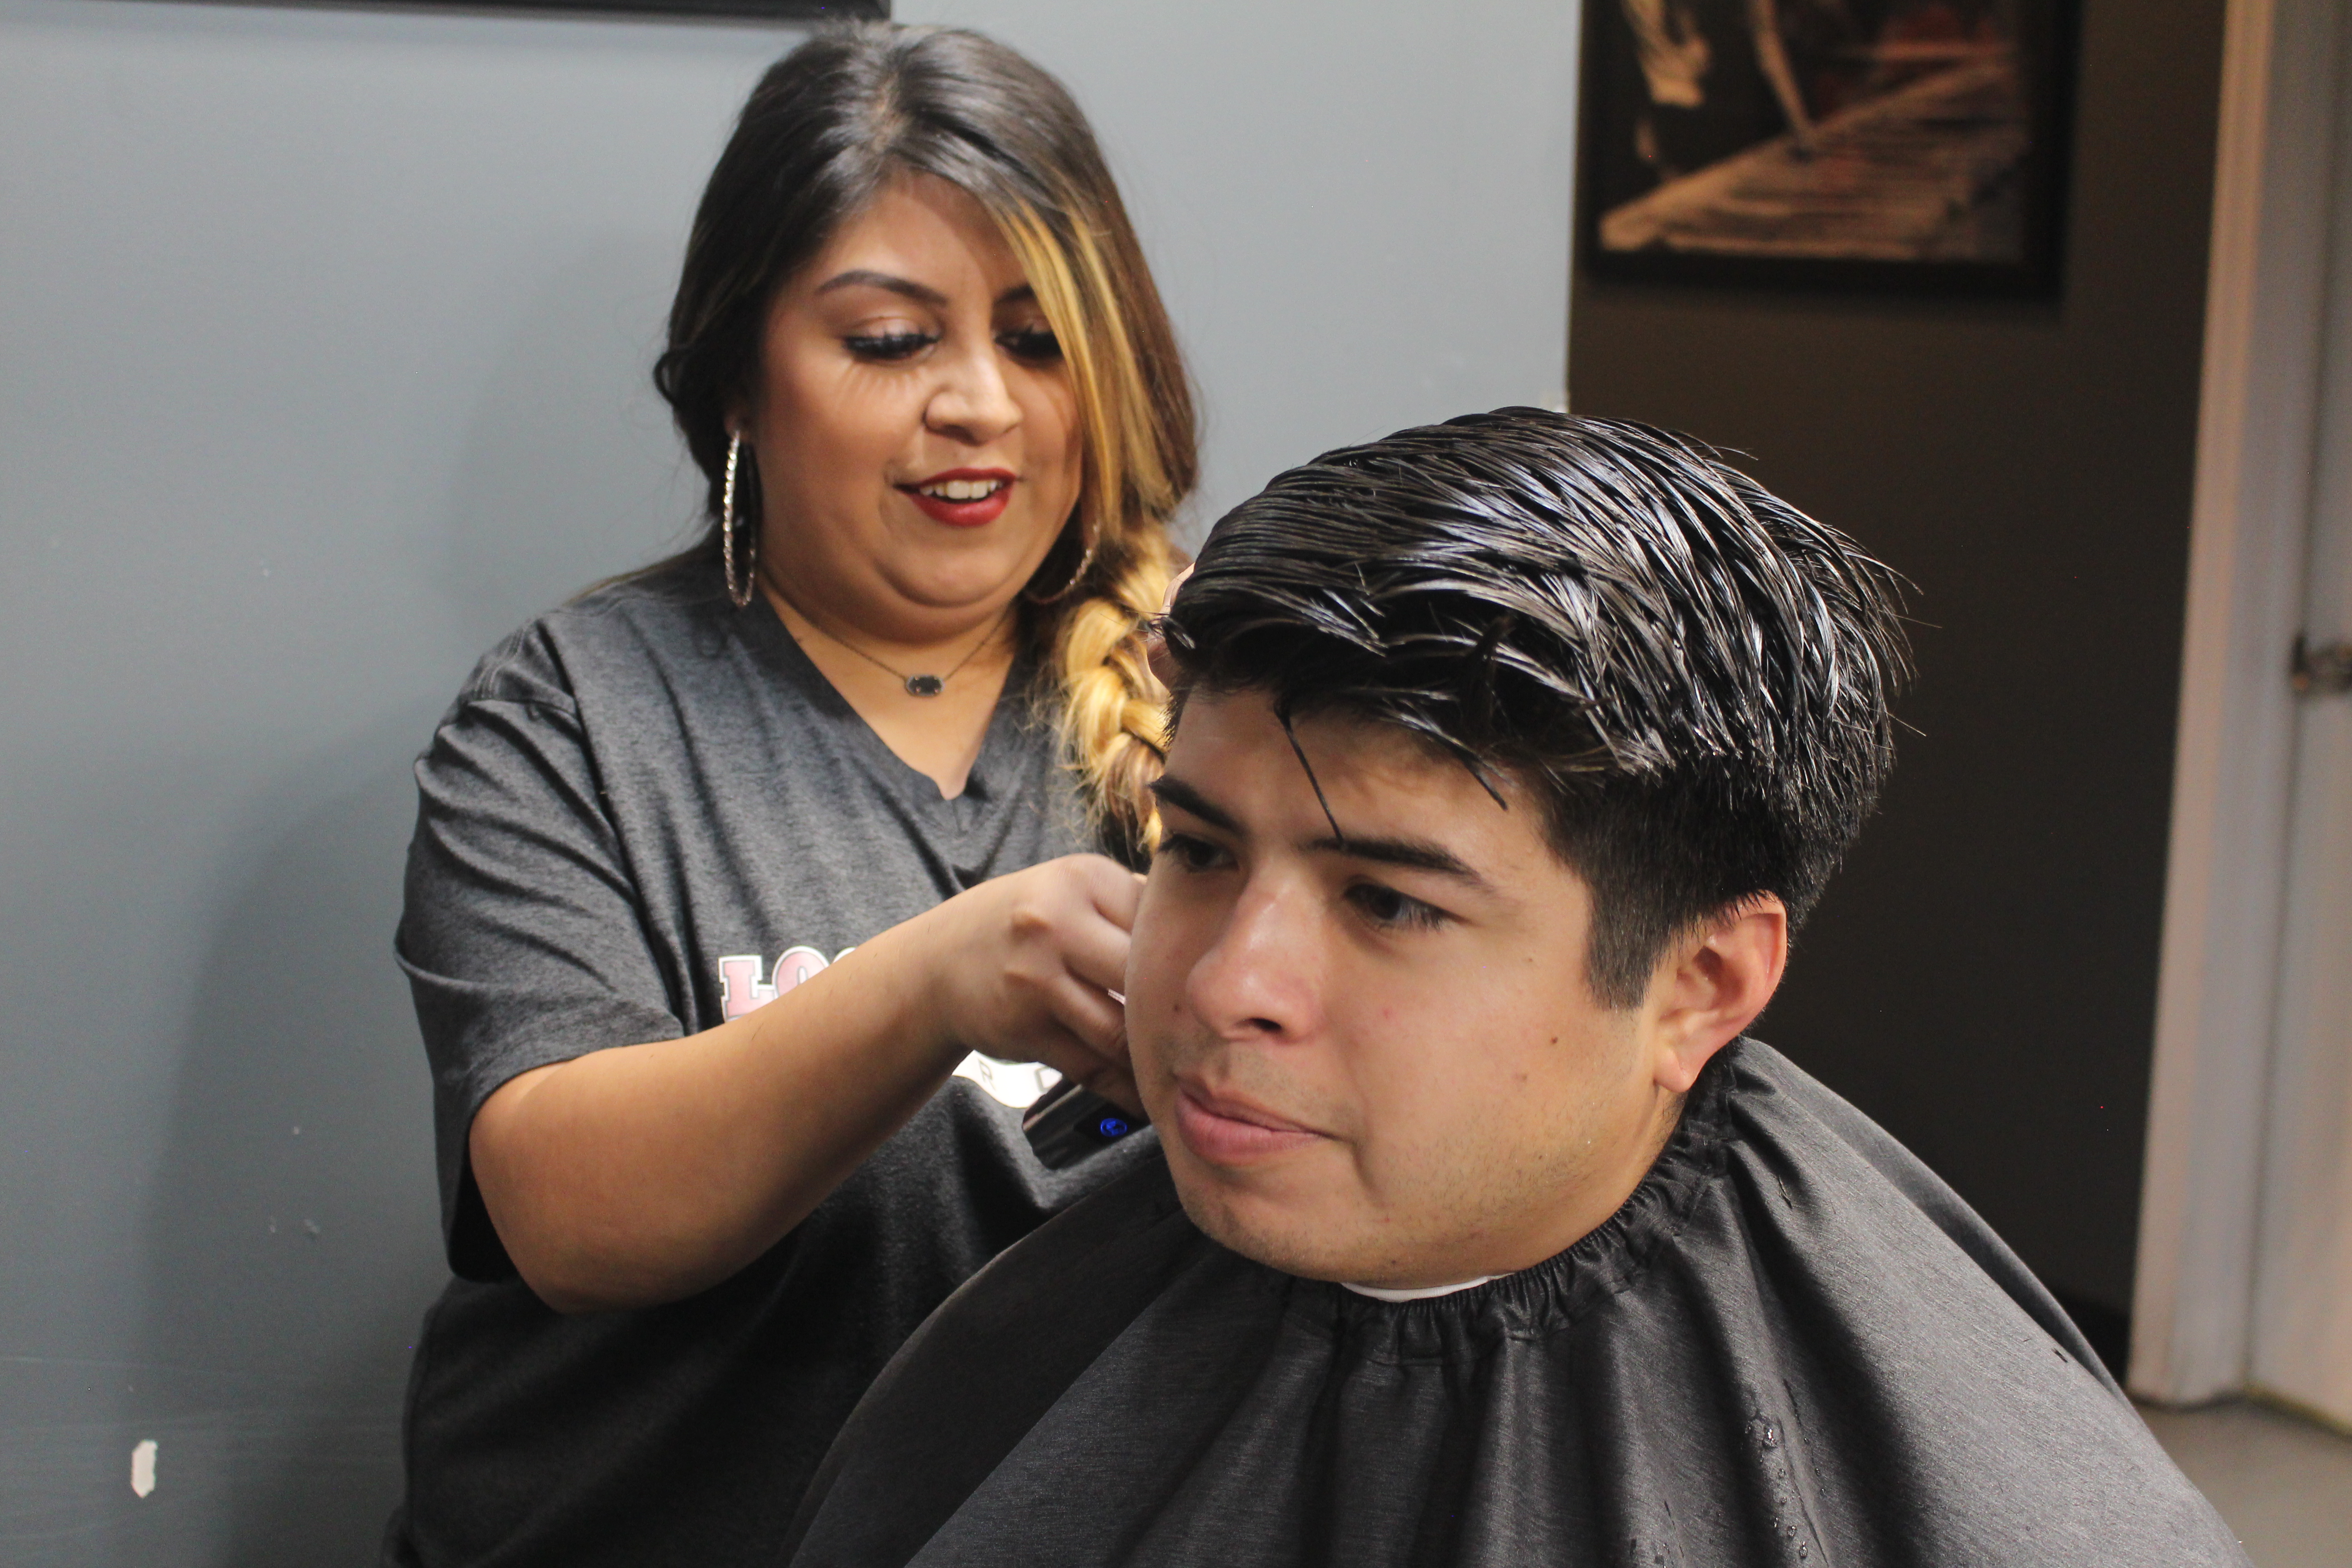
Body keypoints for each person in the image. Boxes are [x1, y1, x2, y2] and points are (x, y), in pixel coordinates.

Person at [783, 412, 2250, 1568]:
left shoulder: (2018, 1509)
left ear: (1703, 985)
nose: (1226, 987)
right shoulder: (1014, 1350)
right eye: (1203, 851)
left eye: (1389, 902)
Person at [382, 24, 1196, 1567]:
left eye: (1037, 342)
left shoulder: (1216, 712)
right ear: (739, 382)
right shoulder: (573, 720)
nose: (979, 403)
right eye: (891, 342)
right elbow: (569, 1217)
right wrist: (944, 979)